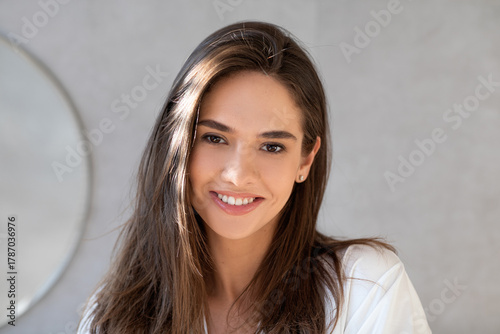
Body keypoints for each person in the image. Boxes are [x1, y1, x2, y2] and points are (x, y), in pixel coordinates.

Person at [78, 21, 431, 333]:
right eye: (215, 138)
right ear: (177, 143)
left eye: (272, 146)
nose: (237, 175)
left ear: (306, 159)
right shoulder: (111, 316)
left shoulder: (366, 287)